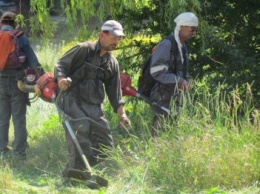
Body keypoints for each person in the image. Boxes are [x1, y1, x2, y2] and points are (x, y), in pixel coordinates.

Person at [54, 20, 131, 176]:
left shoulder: (112, 63)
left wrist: (122, 114)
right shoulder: (83, 49)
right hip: (72, 101)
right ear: (102, 35)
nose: (117, 41)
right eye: (114, 37)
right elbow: (60, 64)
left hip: (95, 107)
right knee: (80, 137)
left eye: (119, 38)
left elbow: (115, 92)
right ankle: (77, 175)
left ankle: (75, 171)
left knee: (106, 146)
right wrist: (61, 79)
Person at [0, 11, 44, 159]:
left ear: (1, 23)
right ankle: (19, 153)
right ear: (15, 23)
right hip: (18, 83)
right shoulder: (20, 37)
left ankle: (2, 151)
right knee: (18, 118)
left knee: (2, 118)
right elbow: (33, 61)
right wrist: (44, 77)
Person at [149, 12, 199, 136]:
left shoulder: (183, 46)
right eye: (192, 29)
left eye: (196, 30)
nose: (194, 33)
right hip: (163, 96)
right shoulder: (167, 44)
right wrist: (179, 81)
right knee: (160, 134)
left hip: (176, 97)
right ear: (181, 26)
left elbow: (181, 71)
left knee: (173, 134)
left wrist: (186, 81)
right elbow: (156, 71)